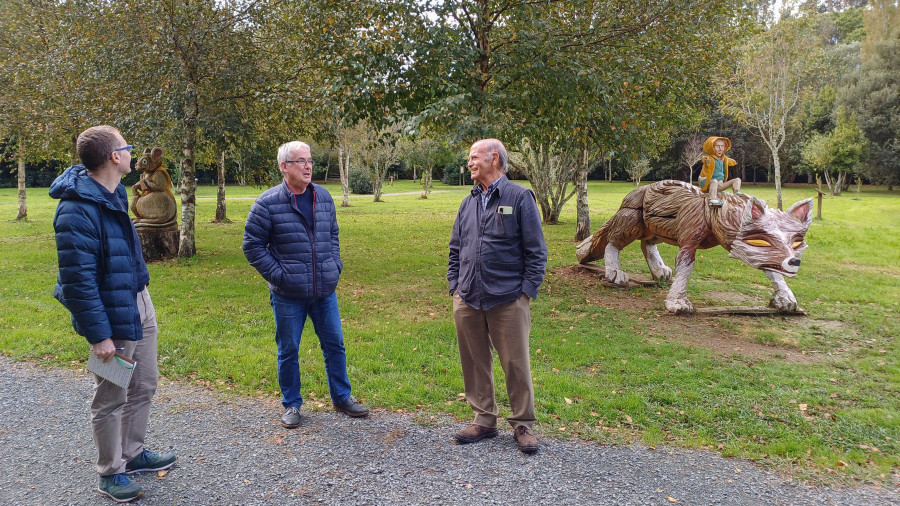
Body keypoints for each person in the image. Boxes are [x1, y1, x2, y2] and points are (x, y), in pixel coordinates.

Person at [50, 125, 176, 503]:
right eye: (127, 147)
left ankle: (133, 453)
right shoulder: (75, 211)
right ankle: (110, 473)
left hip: (139, 301)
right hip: (111, 317)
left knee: (145, 383)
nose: (131, 152)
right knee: (111, 396)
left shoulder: (115, 193)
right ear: (114, 157)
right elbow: (77, 282)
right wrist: (98, 335)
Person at [243, 141, 369, 429]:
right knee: (288, 349)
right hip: (288, 294)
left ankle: (341, 397)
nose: (308, 166)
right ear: (284, 167)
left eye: (309, 160)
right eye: (301, 161)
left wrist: (334, 266)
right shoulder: (267, 203)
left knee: (335, 345)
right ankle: (291, 404)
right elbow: (252, 246)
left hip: (324, 290)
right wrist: (279, 275)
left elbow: (333, 234)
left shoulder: (323, 197)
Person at [447, 138, 548, 454]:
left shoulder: (519, 198)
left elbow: (536, 252)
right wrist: (455, 286)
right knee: (475, 361)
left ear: (494, 158)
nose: (469, 163)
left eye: (474, 157)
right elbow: (455, 249)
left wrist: (525, 294)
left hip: (508, 298)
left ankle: (522, 424)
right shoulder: (468, 202)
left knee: (515, 364)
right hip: (468, 296)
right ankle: (484, 419)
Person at [698, 136, 741, 206]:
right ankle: (713, 200)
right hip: (710, 184)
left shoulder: (725, 159)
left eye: (722, 146)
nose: (720, 149)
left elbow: (730, 161)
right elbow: (704, 159)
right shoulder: (710, 159)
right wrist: (706, 161)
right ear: (711, 148)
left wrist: (734, 162)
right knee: (714, 181)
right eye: (717, 147)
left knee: (737, 180)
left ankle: (737, 193)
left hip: (721, 185)